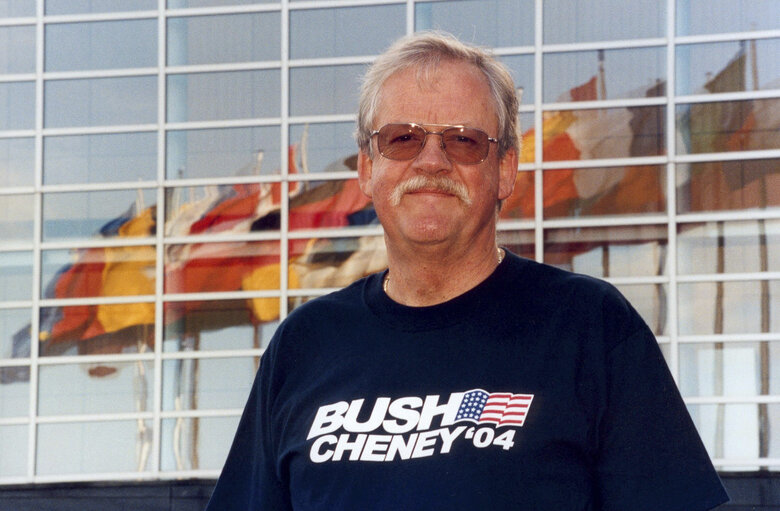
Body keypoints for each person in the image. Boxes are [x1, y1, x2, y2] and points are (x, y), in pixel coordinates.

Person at [205, 31, 729, 510]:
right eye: (403, 139)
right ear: (368, 167)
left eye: (463, 140)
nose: (431, 161)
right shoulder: (304, 345)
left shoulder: (590, 327)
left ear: (503, 170)